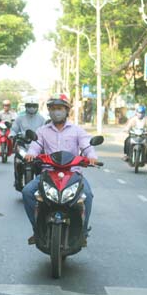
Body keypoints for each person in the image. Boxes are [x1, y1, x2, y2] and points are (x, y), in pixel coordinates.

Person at [22, 95, 99, 245]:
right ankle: (37, 230)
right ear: (49, 111)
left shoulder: (77, 130)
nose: (56, 112)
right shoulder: (42, 130)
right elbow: (35, 145)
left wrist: (92, 157)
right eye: (53, 109)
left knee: (88, 196)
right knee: (27, 192)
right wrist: (31, 154)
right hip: (48, 173)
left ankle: (82, 233)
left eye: (60, 108)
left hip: (73, 173)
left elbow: (87, 146)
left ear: (66, 111)